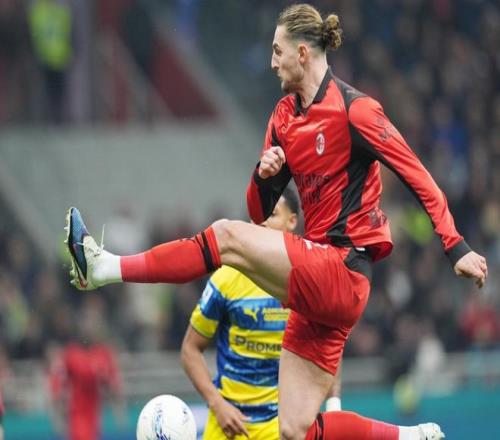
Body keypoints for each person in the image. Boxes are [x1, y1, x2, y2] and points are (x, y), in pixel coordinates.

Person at [65, 4, 488, 439]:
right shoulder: (284, 118)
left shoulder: (355, 110)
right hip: (318, 285)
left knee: (224, 236)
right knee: (293, 429)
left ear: (302, 53)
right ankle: (413, 436)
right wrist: (263, 176)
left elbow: (416, 173)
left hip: (343, 268)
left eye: (277, 51)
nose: (271, 62)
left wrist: (455, 246)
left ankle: (105, 268)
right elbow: (258, 212)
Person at [181, 188, 342, 439]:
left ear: (292, 221)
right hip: (227, 425)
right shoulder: (225, 279)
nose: (262, 221)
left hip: (280, 426)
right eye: (258, 214)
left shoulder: (309, 282)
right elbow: (190, 349)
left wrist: (333, 404)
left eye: (272, 213)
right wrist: (217, 404)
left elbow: (330, 346)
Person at [47, 298, 125, 440]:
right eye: (86, 324)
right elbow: (58, 382)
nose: (89, 328)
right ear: (80, 327)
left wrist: (118, 409)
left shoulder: (103, 353)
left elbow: (113, 383)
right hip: (76, 412)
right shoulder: (71, 354)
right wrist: (58, 410)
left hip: (95, 412)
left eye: (93, 324)